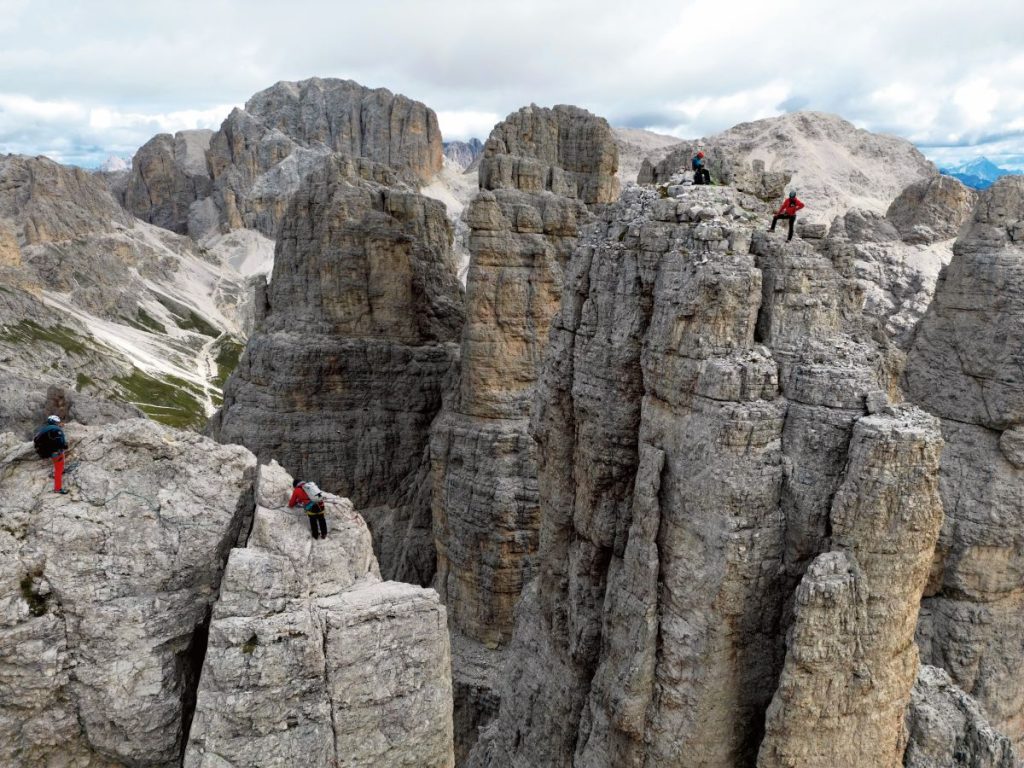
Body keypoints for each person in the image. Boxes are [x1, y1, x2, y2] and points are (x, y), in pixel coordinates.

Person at [34, 415, 68, 494]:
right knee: (58, 470)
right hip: (56, 453)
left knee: (59, 464)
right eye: (57, 422)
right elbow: (61, 443)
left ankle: (60, 470)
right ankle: (58, 488)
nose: (58, 423)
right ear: (55, 422)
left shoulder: (45, 429)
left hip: (50, 452)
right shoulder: (56, 430)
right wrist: (65, 446)